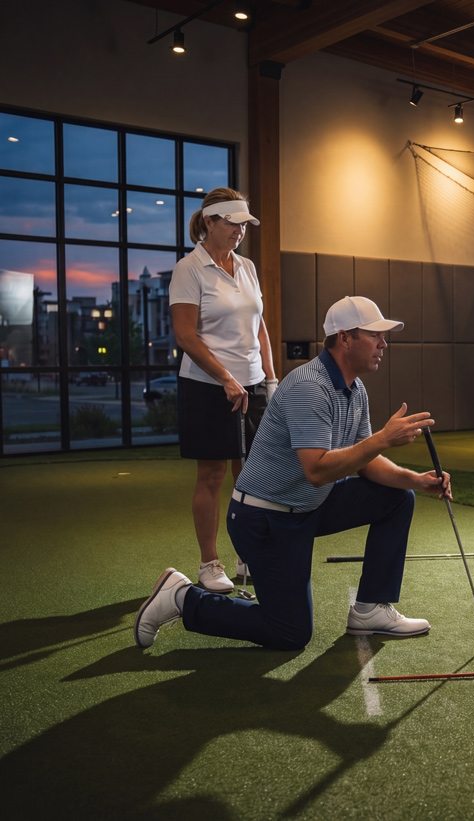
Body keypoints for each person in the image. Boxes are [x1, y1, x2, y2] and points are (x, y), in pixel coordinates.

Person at [134, 296, 449, 650]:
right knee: (290, 633)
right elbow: (316, 470)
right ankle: (181, 597)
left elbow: (363, 462)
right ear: (345, 338)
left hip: (308, 508)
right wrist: (382, 440)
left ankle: (371, 608)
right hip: (265, 521)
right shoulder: (308, 387)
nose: (383, 344)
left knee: (397, 498)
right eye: (375, 335)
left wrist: (417, 480)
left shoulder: (355, 389)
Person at [169, 188, 277, 594]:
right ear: (210, 222)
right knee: (212, 475)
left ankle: (247, 553)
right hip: (206, 385)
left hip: (252, 383)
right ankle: (209, 564)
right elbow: (186, 335)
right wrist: (225, 378)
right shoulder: (189, 268)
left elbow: (260, 327)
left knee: (251, 476)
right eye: (233, 223)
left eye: (244, 224)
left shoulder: (246, 266)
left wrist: (270, 378)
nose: (240, 231)